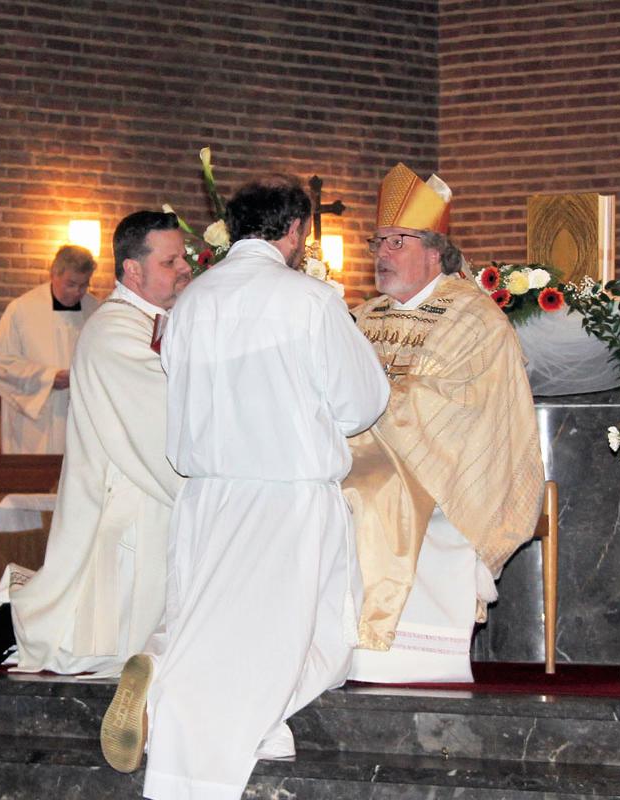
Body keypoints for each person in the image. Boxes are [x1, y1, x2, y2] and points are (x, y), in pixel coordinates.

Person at [100, 177, 390, 798]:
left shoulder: (192, 303)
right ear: (294, 231)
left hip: (207, 496)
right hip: (287, 497)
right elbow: (362, 399)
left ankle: (206, 697)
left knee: (213, 624)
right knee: (309, 633)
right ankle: (207, 731)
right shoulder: (309, 300)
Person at [342, 163, 544, 684]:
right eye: (378, 241)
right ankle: (330, 642)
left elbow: (458, 409)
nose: (382, 253)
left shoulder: (473, 318)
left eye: (397, 242)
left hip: (441, 468)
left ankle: (391, 652)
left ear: (434, 250)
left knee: (365, 493)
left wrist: (359, 418)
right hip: (359, 454)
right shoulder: (365, 316)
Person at [0, 210, 191, 676]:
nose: (185, 269)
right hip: (131, 494)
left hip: (146, 495)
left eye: (184, 258)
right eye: (171, 262)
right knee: (99, 645)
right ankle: (16, 621)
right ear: (133, 269)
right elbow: (161, 409)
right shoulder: (115, 329)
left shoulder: (153, 321)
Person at [0, 244, 100, 454]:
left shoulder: (96, 311)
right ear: (54, 274)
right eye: (71, 284)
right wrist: (49, 377)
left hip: (81, 421)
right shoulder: (22, 310)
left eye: (84, 285)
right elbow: (2, 364)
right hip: (36, 426)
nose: (78, 292)